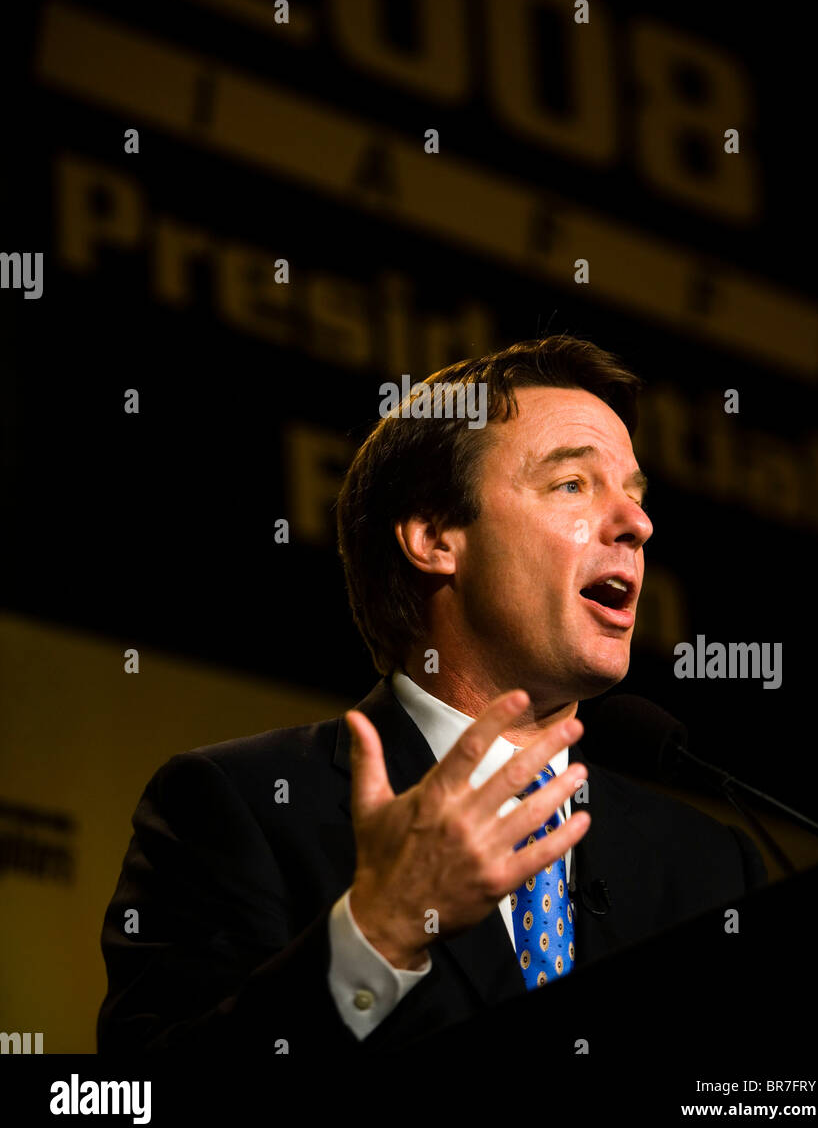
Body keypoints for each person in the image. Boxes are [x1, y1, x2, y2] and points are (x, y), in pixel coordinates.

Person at [97, 335, 766, 1058]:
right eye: (572, 484)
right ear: (433, 537)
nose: (638, 524)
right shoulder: (239, 806)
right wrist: (378, 934)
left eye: (634, 495)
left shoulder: (710, 867)